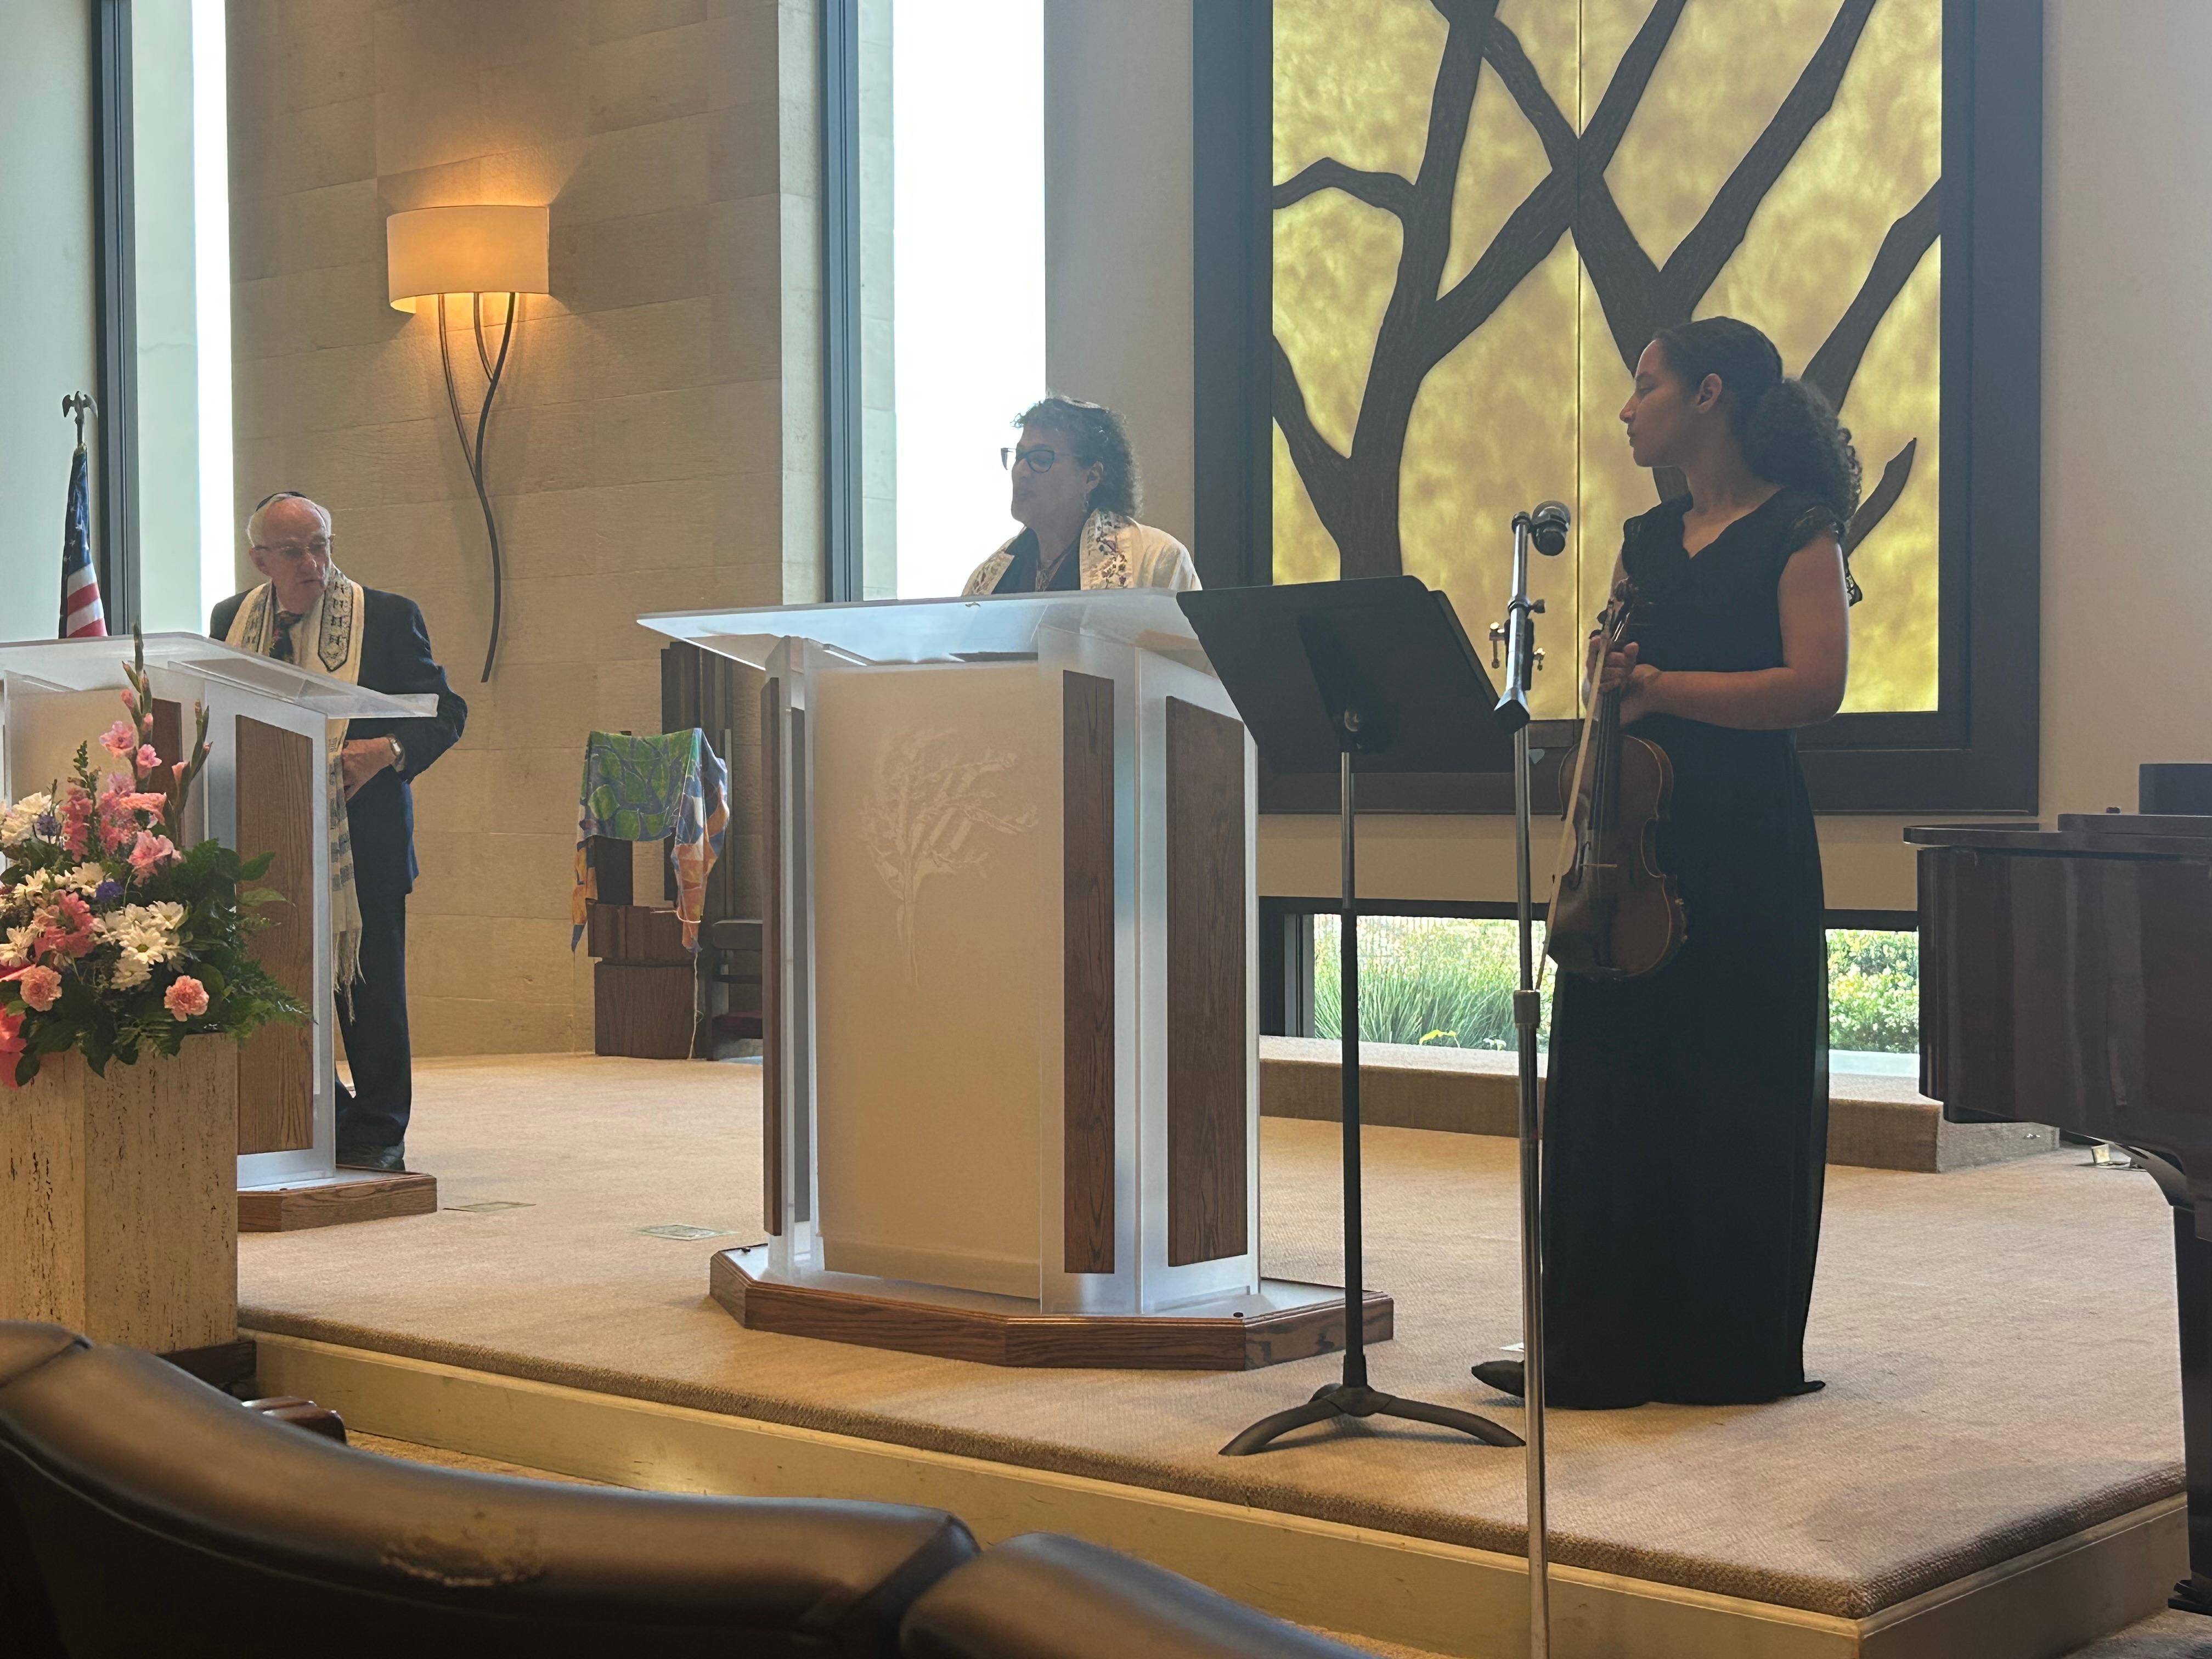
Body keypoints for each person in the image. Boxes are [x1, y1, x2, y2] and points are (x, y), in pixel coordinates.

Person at [1474, 317, 1859, 1410]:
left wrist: (1662, 689)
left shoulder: (1800, 528)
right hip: (1635, 834)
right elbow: (1623, 681)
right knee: (1619, 1078)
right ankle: (1597, 1343)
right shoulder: (1646, 541)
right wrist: (1610, 678)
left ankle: (1721, 1352)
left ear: (1709, 395)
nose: (1625, 407)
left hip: (1746, 840)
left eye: (1644, 385)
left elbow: (1812, 688)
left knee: (1730, 1081)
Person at [211, 493, 468, 1173]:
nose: (314, 564)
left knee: (369, 989)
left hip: (365, 838)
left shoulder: (386, 615)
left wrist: (383, 749)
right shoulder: (231, 620)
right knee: (282, 984)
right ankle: (311, 1111)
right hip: (267, 836)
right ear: (259, 558)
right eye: (293, 551)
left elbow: (445, 711)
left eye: (321, 545)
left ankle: (380, 1130)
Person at [963, 397, 1200, 595]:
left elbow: (1179, 652)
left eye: (1041, 459)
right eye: (1019, 457)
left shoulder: (1156, 560)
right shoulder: (989, 578)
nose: (1021, 471)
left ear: (1091, 477)